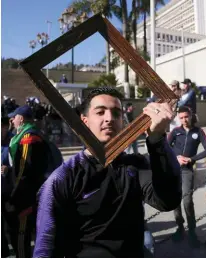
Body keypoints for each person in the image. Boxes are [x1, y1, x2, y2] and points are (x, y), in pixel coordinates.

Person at [33, 87, 182, 257]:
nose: (109, 119)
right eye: (100, 112)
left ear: (123, 122)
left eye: (116, 113)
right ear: (85, 121)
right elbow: (45, 247)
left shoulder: (135, 165)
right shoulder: (64, 177)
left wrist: (157, 139)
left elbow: (167, 201)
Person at [4, 105, 49, 258]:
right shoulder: (27, 134)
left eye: (14, 117)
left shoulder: (27, 137)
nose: (12, 120)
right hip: (29, 192)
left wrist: (15, 196)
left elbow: (24, 171)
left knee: (22, 236)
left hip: (25, 197)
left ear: (21, 119)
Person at [168, 106, 206, 247]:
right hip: (173, 169)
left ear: (191, 116)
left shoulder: (198, 132)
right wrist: (176, 157)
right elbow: (166, 147)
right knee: (174, 200)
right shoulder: (175, 131)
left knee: (187, 200)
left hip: (187, 170)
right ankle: (180, 227)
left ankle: (192, 230)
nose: (184, 120)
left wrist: (191, 159)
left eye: (186, 117)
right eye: (181, 118)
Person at [1, 117, 14, 258]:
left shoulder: (14, 141)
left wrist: (9, 169)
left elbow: (25, 167)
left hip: (10, 194)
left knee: (12, 229)